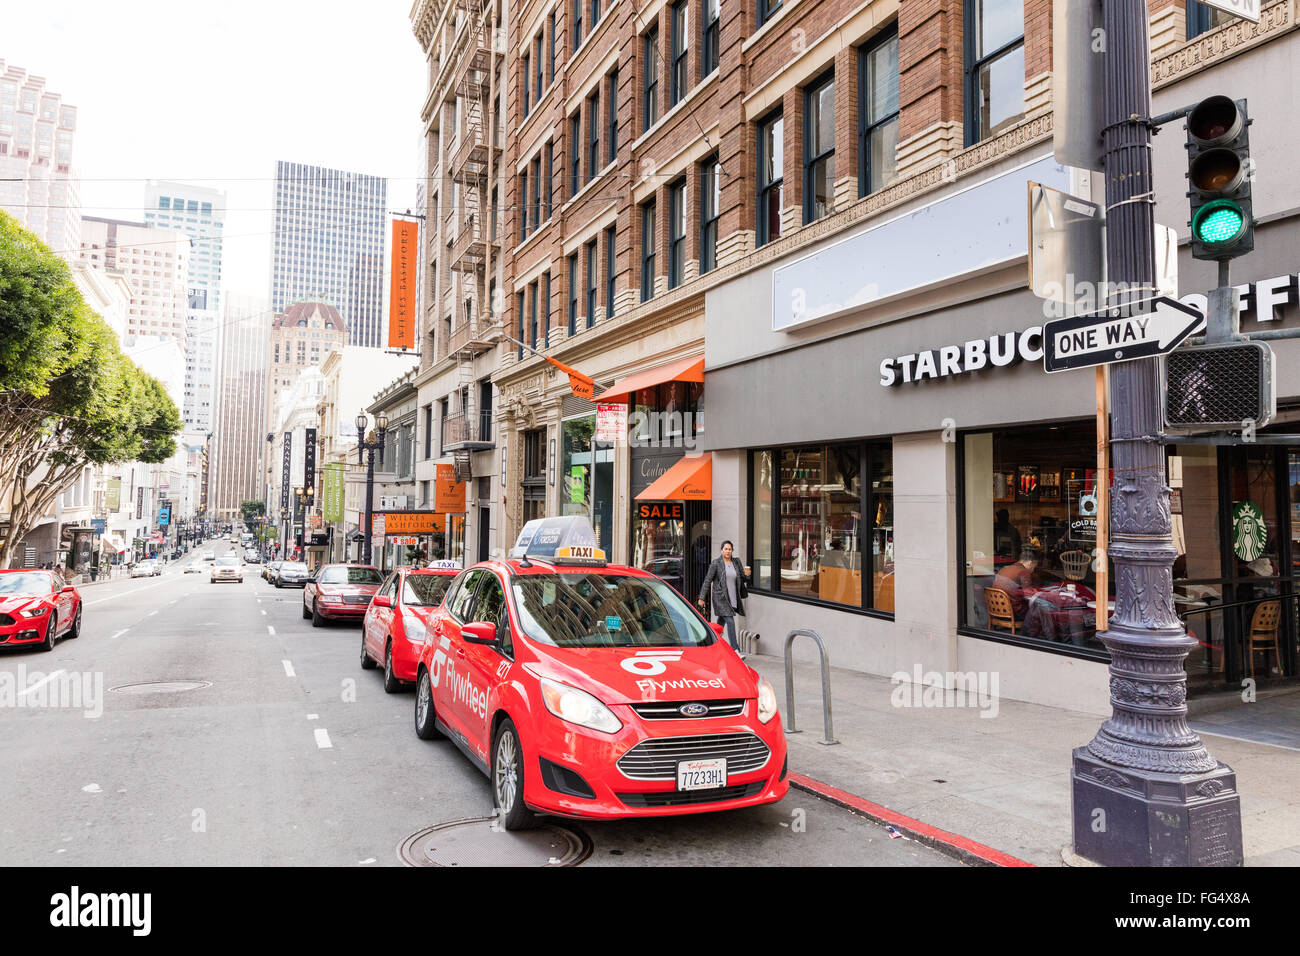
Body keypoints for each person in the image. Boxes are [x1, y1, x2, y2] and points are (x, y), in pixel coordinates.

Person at [697, 541, 750, 652]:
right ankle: (736, 650)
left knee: (720, 623)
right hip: (720, 598)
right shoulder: (716, 563)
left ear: (732, 551)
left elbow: (743, 579)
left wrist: (747, 575)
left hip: (733, 598)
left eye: (730, 549)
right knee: (730, 622)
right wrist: (701, 597)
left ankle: (712, 644)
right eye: (726, 549)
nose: (728, 551)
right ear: (722, 550)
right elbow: (707, 580)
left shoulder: (736, 562)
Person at [992, 548, 1040, 620]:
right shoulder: (1024, 572)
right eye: (1034, 567)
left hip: (996, 609)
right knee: (1041, 609)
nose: (1033, 570)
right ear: (1030, 563)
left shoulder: (1004, 568)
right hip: (1013, 612)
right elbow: (1029, 595)